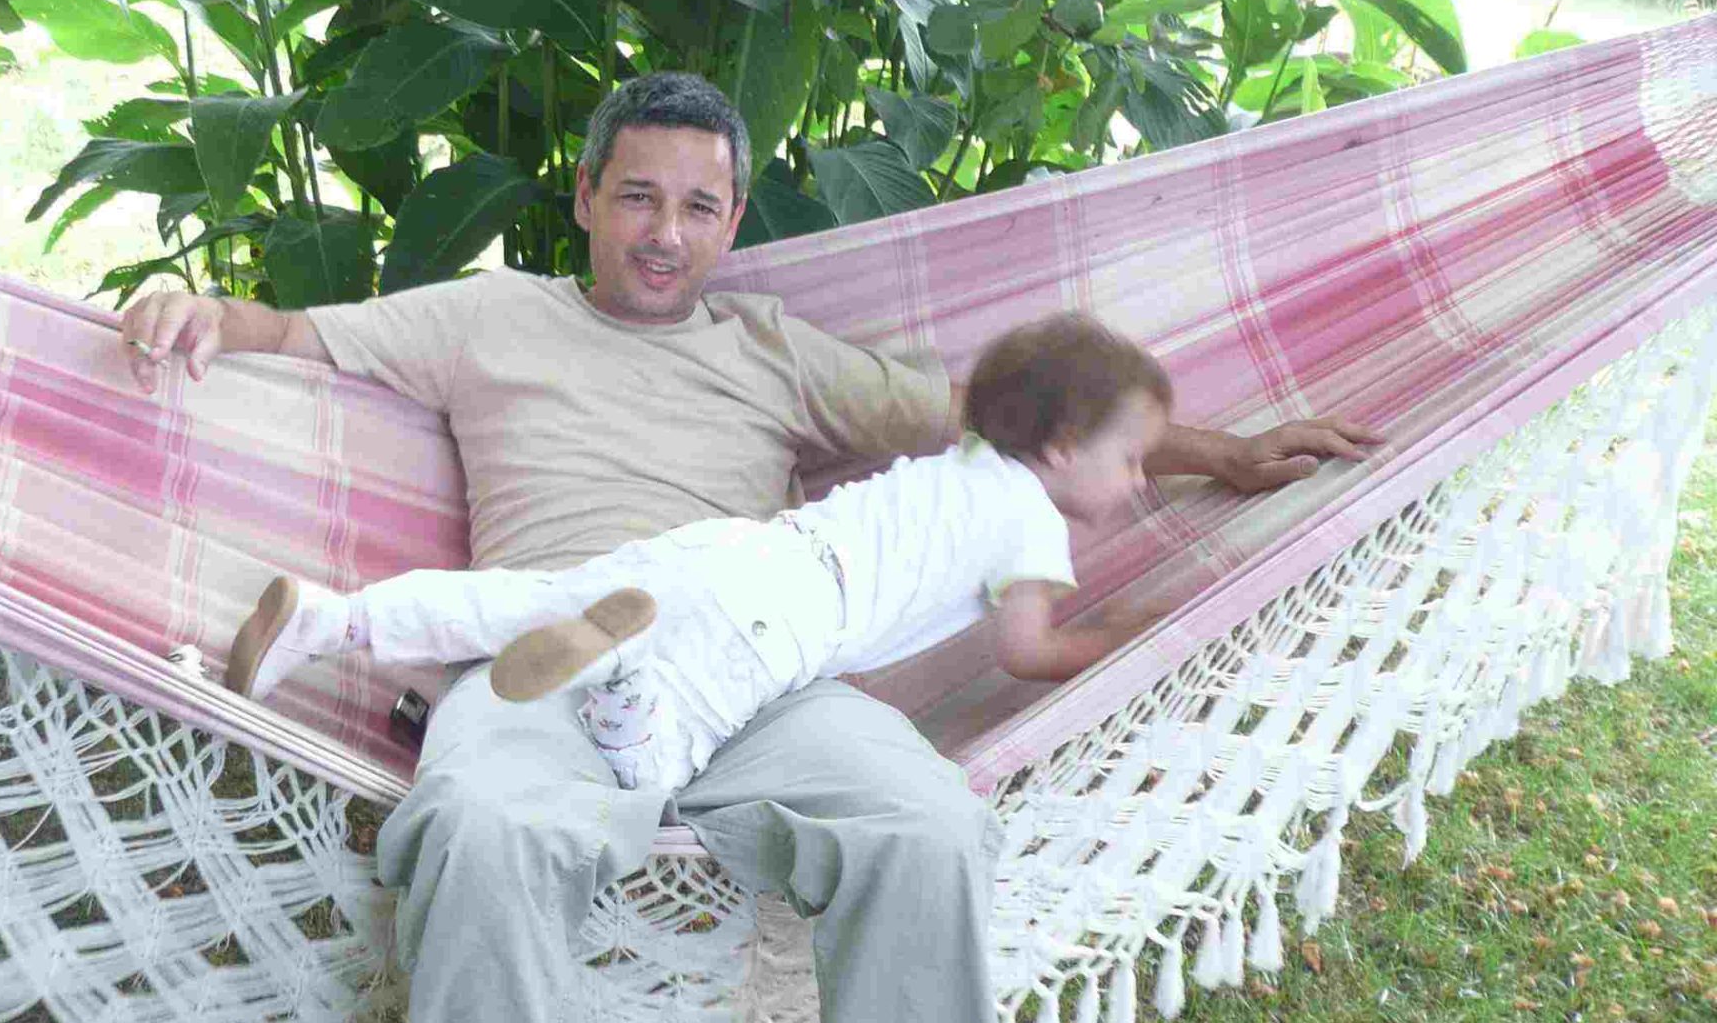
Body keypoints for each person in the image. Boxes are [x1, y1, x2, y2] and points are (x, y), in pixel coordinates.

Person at [119, 71, 1376, 1023]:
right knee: (477, 834)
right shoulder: (486, 316)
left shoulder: (770, 346)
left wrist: (1222, 453)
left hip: (765, 682)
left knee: (926, 828)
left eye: (701, 205)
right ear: (584, 196)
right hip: (547, 671)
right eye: (638, 196)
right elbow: (292, 332)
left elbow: (1022, 431)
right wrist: (195, 308)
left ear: (731, 221)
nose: (667, 232)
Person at [220, 311, 1177, 804]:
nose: (1138, 481)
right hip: (789, 620)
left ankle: (333, 617)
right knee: (657, 772)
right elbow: (1027, 650)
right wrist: (1131, 634)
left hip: (733, 548)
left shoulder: (965, 460)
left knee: (527, 597)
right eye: (1132, 459)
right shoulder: (1033, 526)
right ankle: (621, 684)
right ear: (1060, 448)